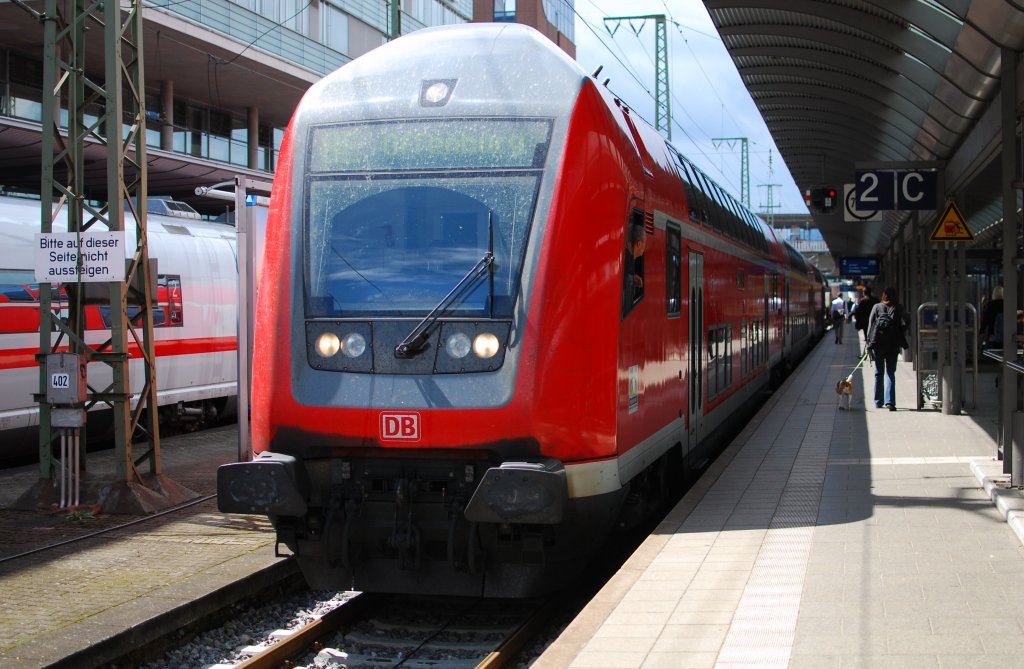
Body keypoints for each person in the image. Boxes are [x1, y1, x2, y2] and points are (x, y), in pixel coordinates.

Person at [866, 286, 909, 411]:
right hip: (893, 344)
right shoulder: (899, 307)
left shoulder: (876, 307)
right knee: (890, 373)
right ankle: (890, 402)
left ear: (884, 295)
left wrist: (869, 344)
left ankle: (878, 401)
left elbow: (870, 326)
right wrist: (901, 330)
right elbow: (908, 320)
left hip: (878, 344)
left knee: (879, 372)